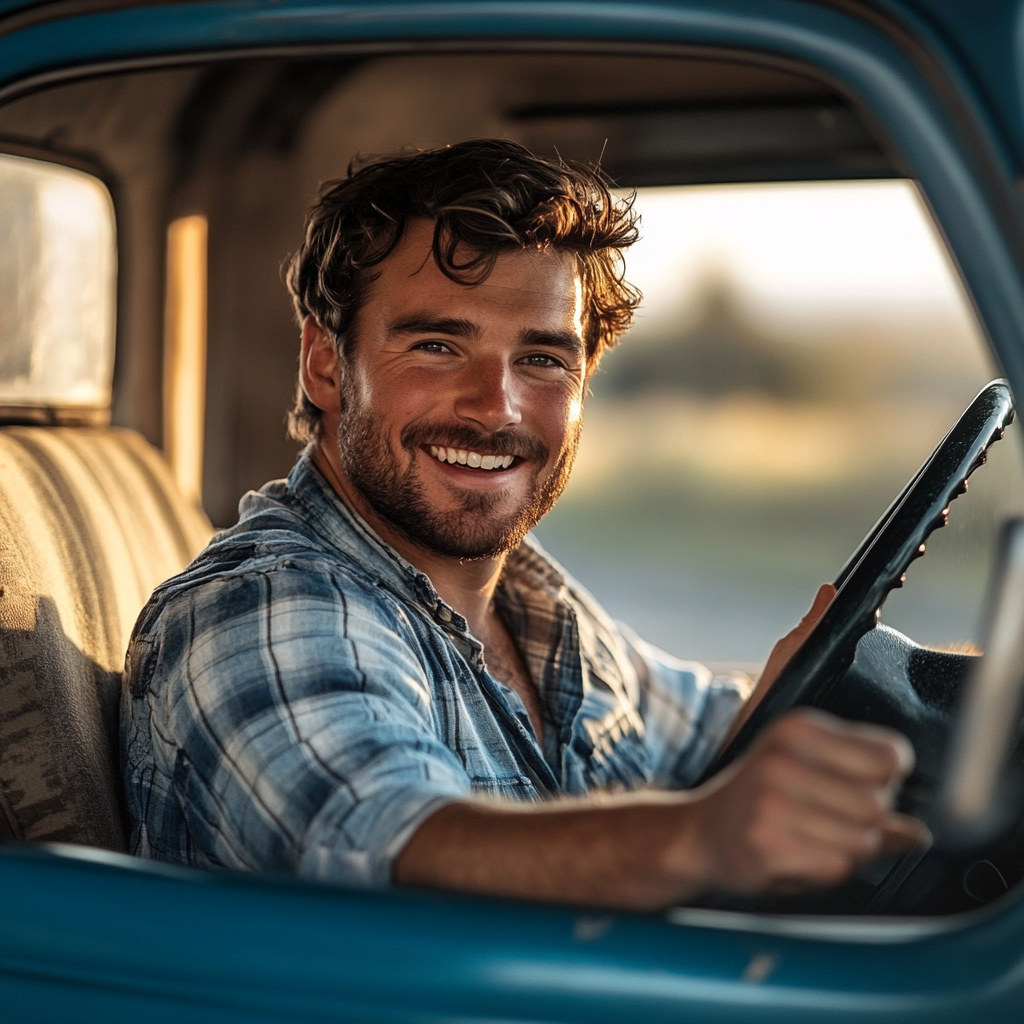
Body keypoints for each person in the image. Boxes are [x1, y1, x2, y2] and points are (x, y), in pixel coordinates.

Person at [122, 139, 925, 909]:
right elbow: (391, 842)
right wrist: (696, 840)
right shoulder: (262, 609)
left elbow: (707, 737)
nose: (495, 407)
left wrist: (824, 695)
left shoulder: (535, 605)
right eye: (437, 345)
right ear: (327, 366)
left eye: (542, 359)